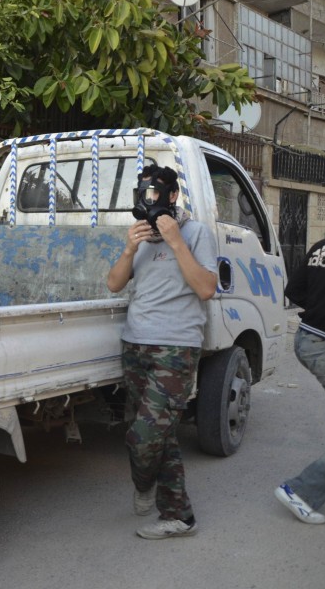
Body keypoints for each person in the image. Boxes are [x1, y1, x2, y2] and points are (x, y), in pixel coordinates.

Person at [106, 164, 217, 540]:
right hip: (135, 344)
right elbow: (113, 284)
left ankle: (144, 486)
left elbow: (206, 289)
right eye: (143, 193)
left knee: (145, 436)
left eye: (155, 193)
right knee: (160, 434)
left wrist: (176, 242)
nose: (148, 200)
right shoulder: (140, 237)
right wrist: (129, 248)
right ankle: (178, 516)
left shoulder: (196, 232)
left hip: (175, 348)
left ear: (172, 196)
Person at [274, 237, 325, 525]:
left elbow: (293, 290)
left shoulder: (322, 246)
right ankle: (301, 492)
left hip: (308, 336)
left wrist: (320, 310)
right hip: (322, 344)